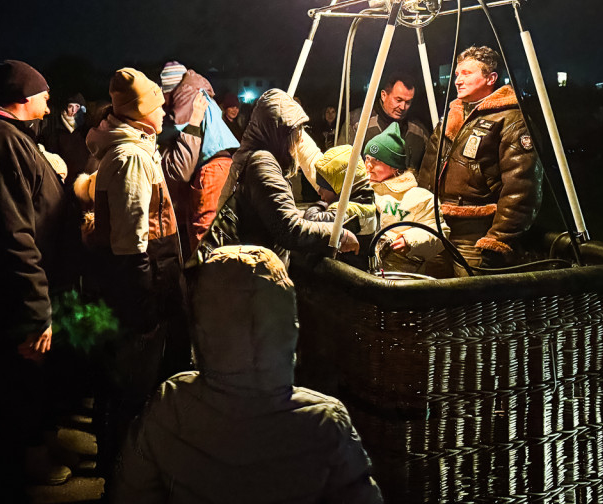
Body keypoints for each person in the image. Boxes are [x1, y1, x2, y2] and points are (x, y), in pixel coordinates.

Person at [111, 245, 384, 504]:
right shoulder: (326, 422)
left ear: (204, 326)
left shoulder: (170, 405)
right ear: (288, 324)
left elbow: (131, 494)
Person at [0, 60, 71, 487]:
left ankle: (18, 453)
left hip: (24, 286)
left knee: (25, 376)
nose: (49, 100)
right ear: (22, 97)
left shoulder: (11, 137)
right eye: (43, 92)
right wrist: (37, 307)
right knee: (22, 377)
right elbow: (13, 230)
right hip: (16, 293)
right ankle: (22, 462)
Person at [85, 67, 187, 481]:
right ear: (140, 113)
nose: (164, 113)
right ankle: (122, 472)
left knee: (125, 381)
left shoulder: (132, 148)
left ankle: (120, 461)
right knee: (134, 385)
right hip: (141, 289)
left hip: (139, 284)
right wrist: (146, 300)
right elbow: (132, 240)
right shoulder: (131, 157)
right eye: (158, 106)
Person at [418, 46, 542, 272]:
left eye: (467, 73)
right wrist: (417, 214)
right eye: (457, 74)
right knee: (426, 296)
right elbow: (427, 170)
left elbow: (522, 188)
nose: (458, 80)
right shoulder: (452, 117)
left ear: (491, 78)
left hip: (474, 237)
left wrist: (497, 241)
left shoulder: (512, 120)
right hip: (436, 228)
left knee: (471, 302)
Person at [214, 89, 358, 262]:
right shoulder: (262, 164)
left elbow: (271, 214)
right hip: (254, 275)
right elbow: (288, 230)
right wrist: (336, 234)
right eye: (296, 132)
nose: (298, 140)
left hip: (248, 266)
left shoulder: (254, 154)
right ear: (281, 132)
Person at [158, 67, 238, 258]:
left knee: (205, 231)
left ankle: (206, 279)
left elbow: (179, 128)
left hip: (211, 166)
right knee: (219, 228)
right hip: (222, 162)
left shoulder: (187, 95)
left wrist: (159, 135)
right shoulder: (200, 92)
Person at [363, 123, 445, 277]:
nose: (369, 165)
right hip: (363, 272)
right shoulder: (362, 191)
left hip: (401, 275)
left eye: (377, 161)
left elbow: (438, 232)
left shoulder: (420, 198)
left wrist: (410, 241)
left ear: (395, 167)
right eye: (367, 158)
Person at [302, 145, 378, 272]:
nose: (319, 192)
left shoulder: (351, 211)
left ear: (340, 188)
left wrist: (320, 204)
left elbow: (312, 221)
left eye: (323, 187)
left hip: (345, 279)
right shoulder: (364, 201)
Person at [350, 74, 427, 171]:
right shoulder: (359, 123)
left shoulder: (418, 131)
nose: (403, 107)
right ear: (384, 95)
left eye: (408, 102)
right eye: (398, 100)